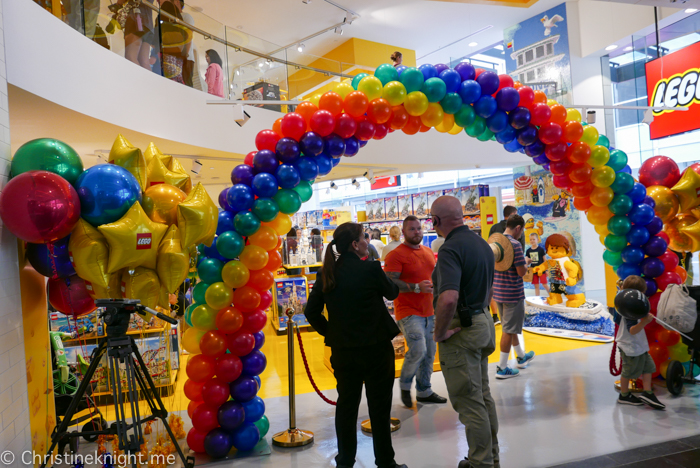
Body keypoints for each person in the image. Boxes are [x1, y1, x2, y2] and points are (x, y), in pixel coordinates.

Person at [304, 222, 407, 468]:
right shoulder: (370, 269)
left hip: (344, 351)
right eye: (365, 237)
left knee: (346, 407)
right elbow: (392, 292)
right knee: (379, 408)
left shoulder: (326, 273)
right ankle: (385, 462)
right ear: (355, 244)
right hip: (376, 349)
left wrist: (331, 332)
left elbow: (311, 311)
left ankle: (345, 461)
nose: (368, 242)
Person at [430, 196, 499, 468]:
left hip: (462, 330)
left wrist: (439, 332)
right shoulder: (482, 244)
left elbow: (448, 298)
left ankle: (480, 463)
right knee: (482, 395)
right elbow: (489, 288)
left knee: (469, 402)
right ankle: (490, 458)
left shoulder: (450, 249)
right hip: (483, 321)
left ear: (436, 221)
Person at [384, 216, 447, 408]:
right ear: (403, 232)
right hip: (408, 311)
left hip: (430, 310)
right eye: (412, 229)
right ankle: (404, 385)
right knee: (418, 349)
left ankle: (424, 391)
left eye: (419, 228)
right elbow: (390, 282)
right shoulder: (395, 255)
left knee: (430, 353)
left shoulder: (428, 251)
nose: (417, 232)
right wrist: (416, 287)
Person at [493, 215, 535, 380]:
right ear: (518, 228)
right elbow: (521, 272)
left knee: (510, 327)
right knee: (508, 330)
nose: (521, 234)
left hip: (499, 292)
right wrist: (525, 261)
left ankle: (521, 356)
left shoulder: (496, 242)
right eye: (522, 231)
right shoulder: (515, 244)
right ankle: (502, 367)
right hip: (512, 293)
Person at [614, 276, 666, 410]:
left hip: (639, 345)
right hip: (629, 345)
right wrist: (645, 322)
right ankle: (624, 395)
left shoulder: (631, 306)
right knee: (628, 371)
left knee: (648, 367)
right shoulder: (627, 309)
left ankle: (647, 392)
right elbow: (632, 330)